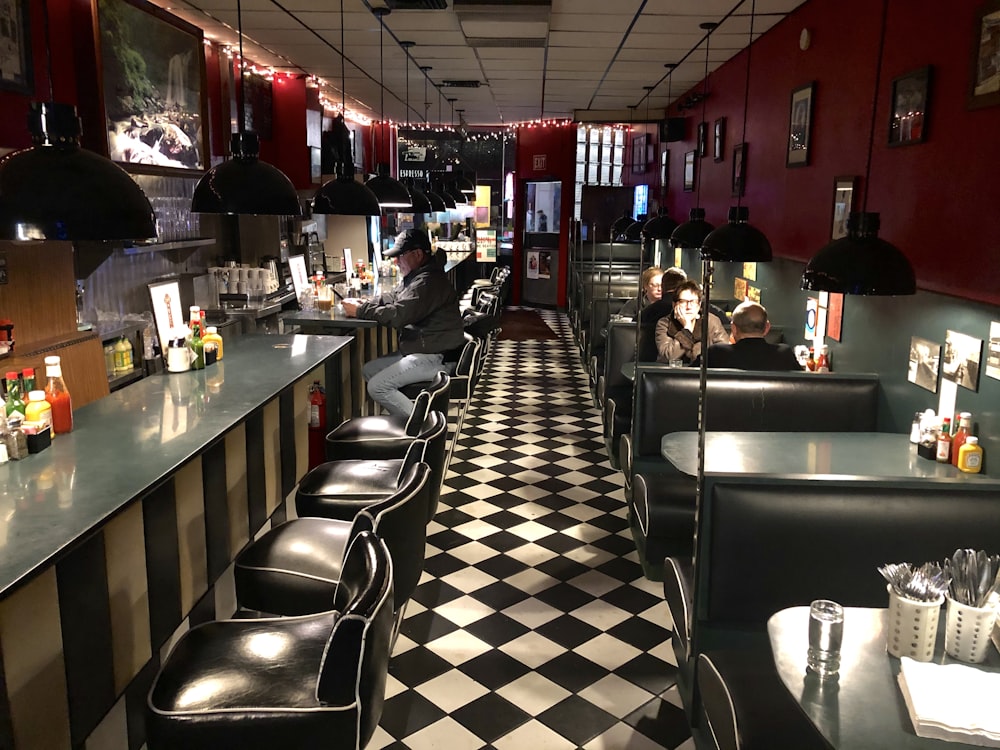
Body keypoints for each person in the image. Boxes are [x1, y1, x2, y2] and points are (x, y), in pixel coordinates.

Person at [342, 228, 466, 418]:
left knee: (378, 387)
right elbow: (395, 296)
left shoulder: (427, 282)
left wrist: (360, 311)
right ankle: (403, 420)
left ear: (417, 254)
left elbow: (399, 315)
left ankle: (425, 428)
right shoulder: (419, 276)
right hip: (425, 348)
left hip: (436, 355)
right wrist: (367, 303)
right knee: (369, 370)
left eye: (400, 256)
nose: (396, 261)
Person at [705, 301, 802, 371]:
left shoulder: (716, 353)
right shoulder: (784, 353)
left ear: (733, 328)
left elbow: (691, 376)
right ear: (767, 328)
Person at [654, 280, 728, 365]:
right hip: (673, 375)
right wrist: (687, 330)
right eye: (683, 302)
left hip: (703, 375)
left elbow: (723, 354)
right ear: (674, 305)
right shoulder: (664, 324)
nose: (688, 307)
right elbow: (667, 357)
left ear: (699, 305)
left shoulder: (711, 321)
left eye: (693, 302)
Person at [620, 266, 686, 320]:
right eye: (655, 285)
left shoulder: (672, 305)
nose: (659, 289)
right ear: (645, 286)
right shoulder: (633, 305)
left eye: (661, 285)